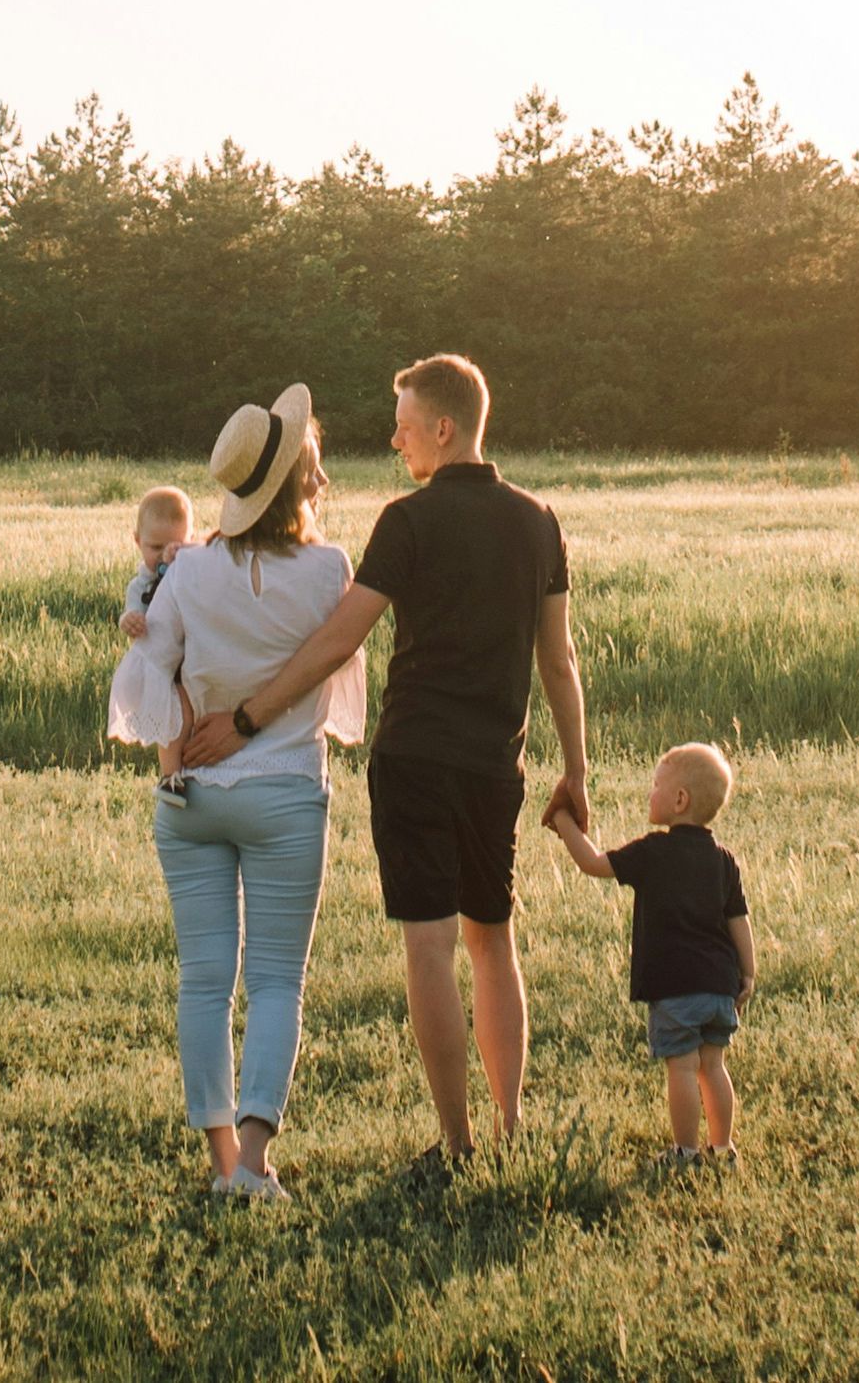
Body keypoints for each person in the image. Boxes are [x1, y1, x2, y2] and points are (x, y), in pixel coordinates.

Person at [168, 351, 583, 1171]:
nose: (396, 443)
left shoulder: (408, 520)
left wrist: (249, 716)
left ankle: (456, 1144)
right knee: (493, 941)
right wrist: (575, 766)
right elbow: (559, 660)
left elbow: (336, 640)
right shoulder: (540, 521)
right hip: (499, 764)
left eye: (403, 427)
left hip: (416, 759)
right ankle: (511, 1128)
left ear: (442, 426)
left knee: (429, 944)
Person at [107, 387, 366, 1198]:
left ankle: (222, 1163)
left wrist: (176, 744)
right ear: (293, 485)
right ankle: (253, 1164)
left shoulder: (186, 570)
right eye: (314, 472)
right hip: (286, 793)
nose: (322, 484)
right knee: (278, 979)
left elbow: (154, 669)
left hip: (192, 799)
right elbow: (334, 667)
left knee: (204, 979)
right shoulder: (330, 571)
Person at [545, 742, 753, 1162]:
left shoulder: (653, 852)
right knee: (713, 1066)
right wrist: (747, 974)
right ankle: (723, 1146)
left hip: (676, 988)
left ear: (680, 800)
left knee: (680, 1067)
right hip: (718, 987)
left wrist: (563, 821)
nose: (649, 792)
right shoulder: (724, 860)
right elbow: (739, 921)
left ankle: (686, 1150)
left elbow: (594, 863)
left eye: (656, 785)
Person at [120, 485, 194, 648]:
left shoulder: (194, 578)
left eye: (176, 546)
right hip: (156, 659)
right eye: (156, 547)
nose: (165, 554)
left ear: (191, 541)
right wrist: (129, 620)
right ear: (138, 542)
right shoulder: (140, 587)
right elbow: (134, 611)